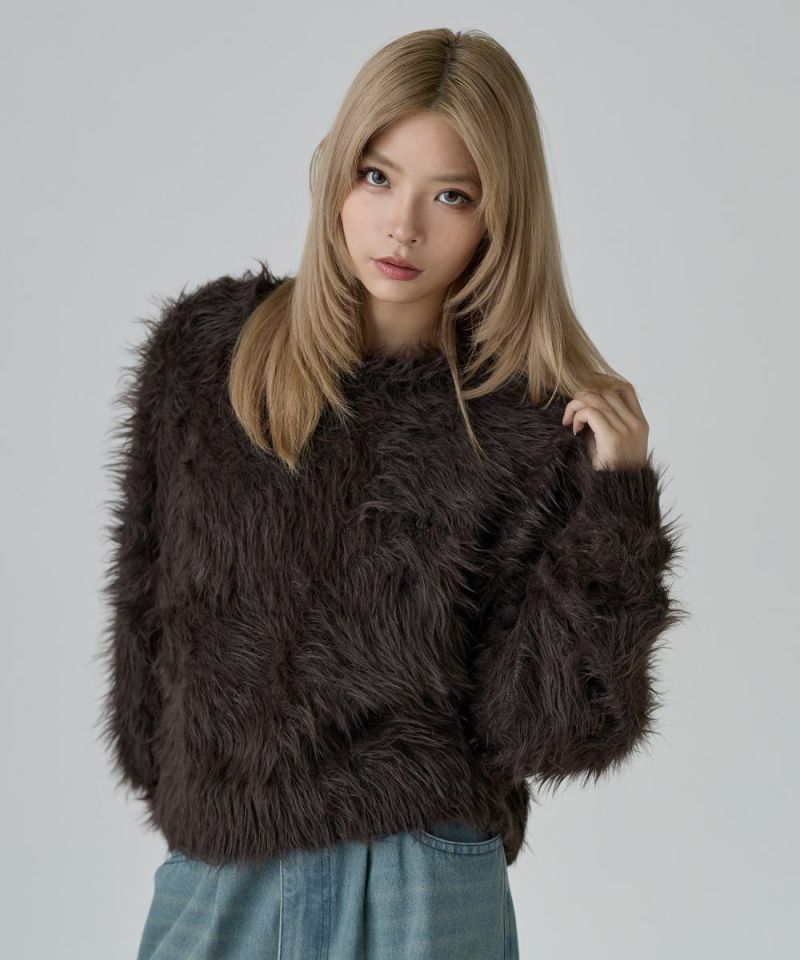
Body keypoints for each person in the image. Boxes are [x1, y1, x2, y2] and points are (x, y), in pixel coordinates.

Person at [96, 27, 688, 960]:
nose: (403, 227)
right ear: (334, 173)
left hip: (421, 878)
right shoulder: (206, 357)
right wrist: (202, 803)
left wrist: (616, 505)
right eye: (377, 177)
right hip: (224, 869)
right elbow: (146, 619)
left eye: (452, 195)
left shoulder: (530, 424)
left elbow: (554, 730)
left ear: (499, 217)